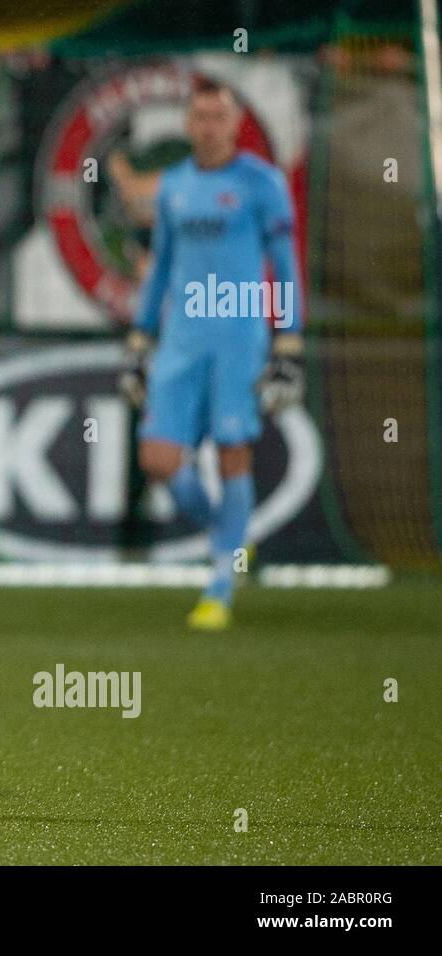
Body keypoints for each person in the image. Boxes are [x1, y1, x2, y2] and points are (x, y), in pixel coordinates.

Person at [120, 78, 305, 631]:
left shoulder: (261, 182)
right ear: (188, 123)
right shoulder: (174, 186)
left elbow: (286, 264)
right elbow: (161, 272)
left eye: (218, 115)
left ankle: (219, 586)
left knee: (231, 456)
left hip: (239, 337)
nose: (208, 125)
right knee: (157, 459)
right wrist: (139, 340)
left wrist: (288, 341)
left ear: (235, 122)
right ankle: (231, 536)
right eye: (199, 116)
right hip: (181, 339)